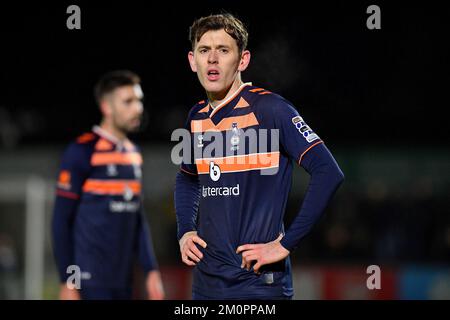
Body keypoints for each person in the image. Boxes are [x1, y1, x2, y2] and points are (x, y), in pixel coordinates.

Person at [174, 13, 344, 299]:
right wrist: (185, 230)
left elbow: (328, 172)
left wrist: (285, 244)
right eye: (204, 50)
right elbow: (187, 179)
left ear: (243, 61)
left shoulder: (271, 109)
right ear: (193, 60)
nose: (212, 59)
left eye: (223, 50)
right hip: (205, 286)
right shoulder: (196, 117)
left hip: (258, 285)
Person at [52, 70, 164, 300]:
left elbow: (137, 218)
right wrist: (67, 281)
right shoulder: (82, 151)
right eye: (128, 102)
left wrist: (151, 270)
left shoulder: (134, 154)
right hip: (88, 283)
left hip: (124, 282)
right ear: (107, 107)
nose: (138, 108)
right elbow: (61, 220)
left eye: (139, 100)